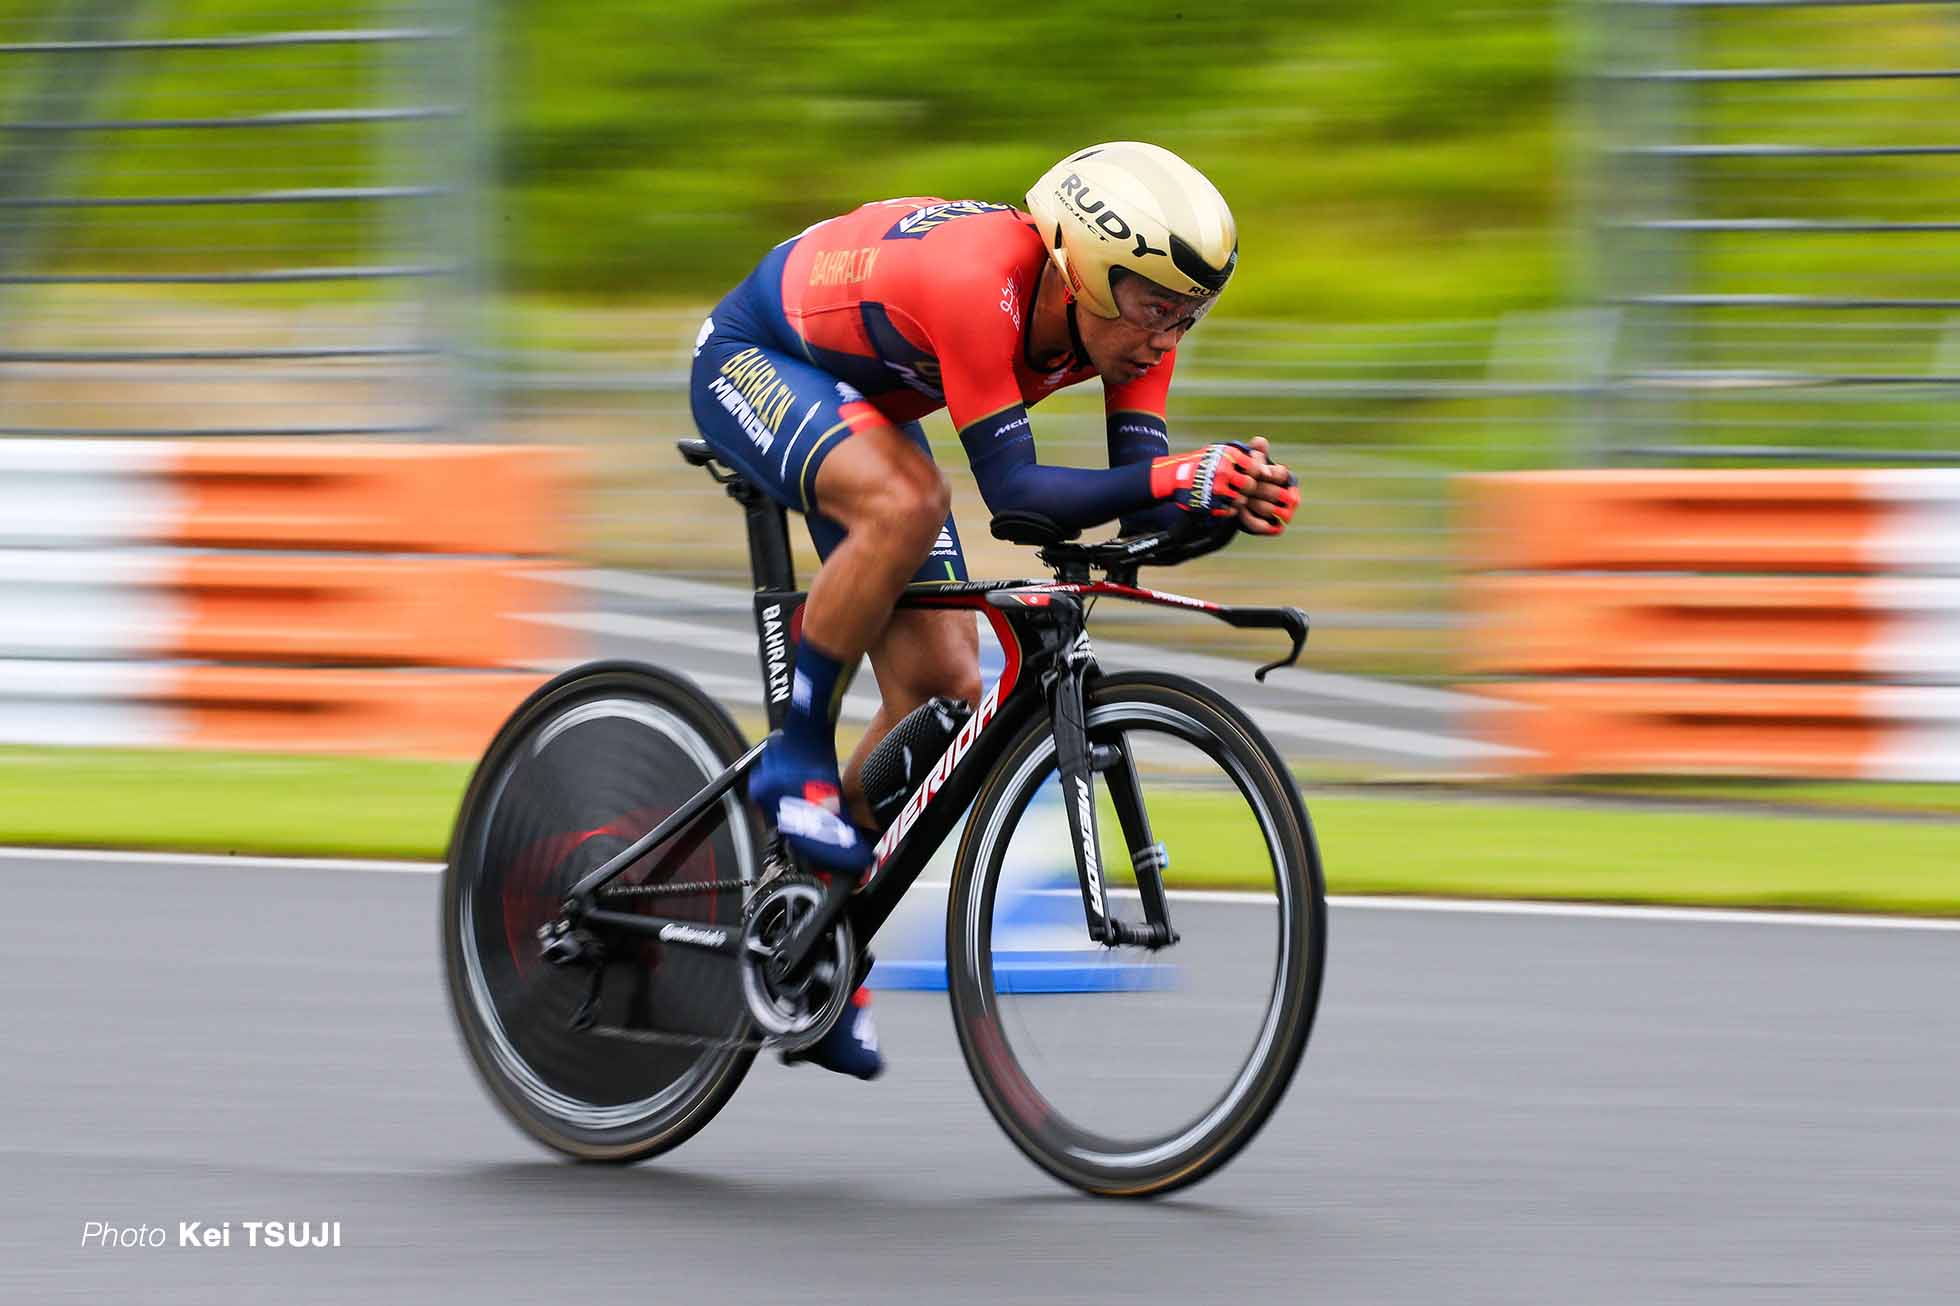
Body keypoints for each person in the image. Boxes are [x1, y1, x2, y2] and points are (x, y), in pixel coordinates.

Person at [690, 141, 1300, 1079]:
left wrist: (1219, 502)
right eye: (1155, 310)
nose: (1165, 341)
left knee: (942, 694)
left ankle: (810, 926)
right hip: (755, 356)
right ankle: (796, 758)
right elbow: (1015, 496)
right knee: (906, 504)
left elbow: (1133, 511)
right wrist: (1184, 475)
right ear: (1085, 273)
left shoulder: (1127, 328)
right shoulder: (984, 277)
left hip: (866, 401)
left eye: (1189, 317)